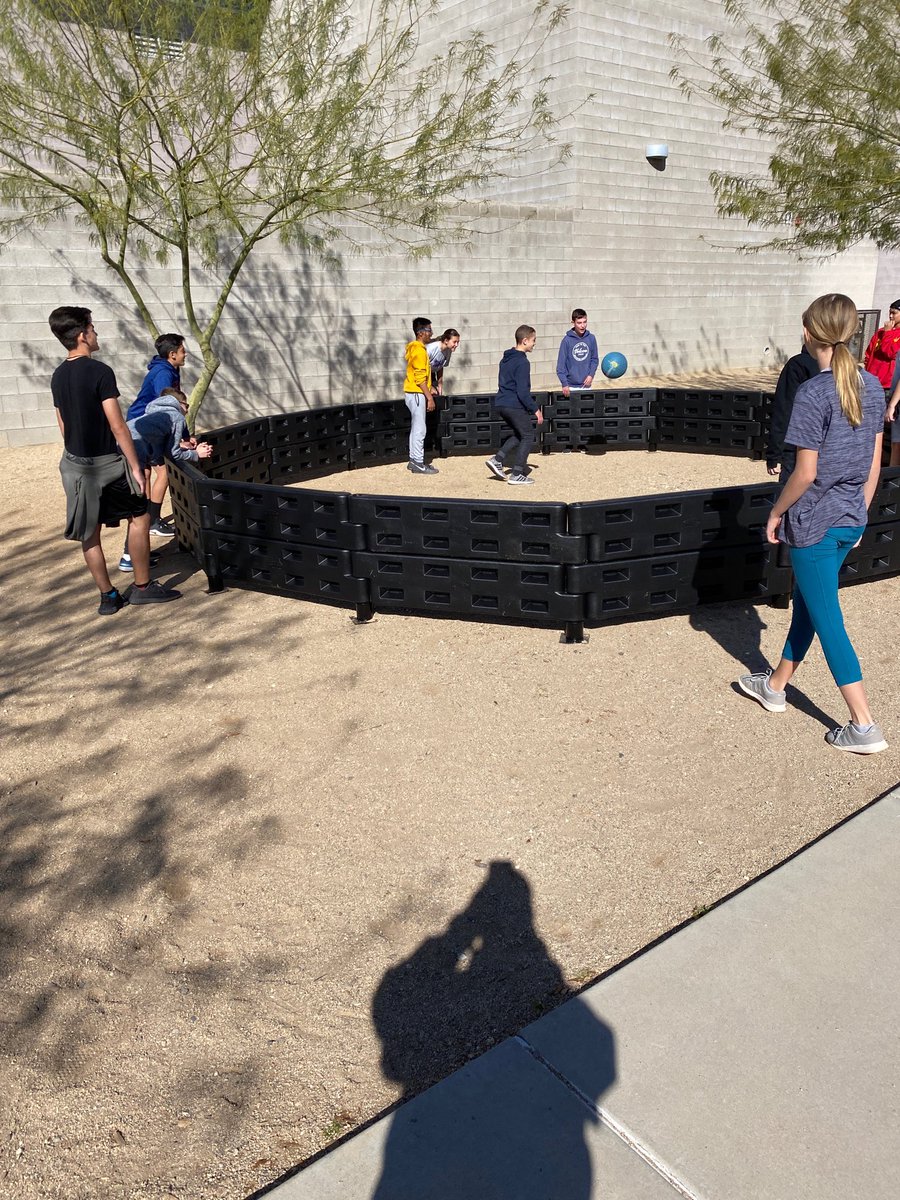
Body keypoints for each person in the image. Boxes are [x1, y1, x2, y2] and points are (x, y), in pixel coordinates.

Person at [737, 294, 887, 754]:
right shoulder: (873, 386)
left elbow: (804, 472)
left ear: (808, 333)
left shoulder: (813, 391)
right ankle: (776, 686)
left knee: (828, 619)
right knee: (809, 603)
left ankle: (863, 725)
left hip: (815, 524)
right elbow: (874, 463)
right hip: (847, 519)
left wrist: (776, 512)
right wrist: (859, 512)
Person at [49, 306, 181, 613]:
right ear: (82, 335)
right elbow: (118, 425)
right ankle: (143, 586)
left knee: (89, 532)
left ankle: (108, 597)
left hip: (75, 465)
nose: (96, 334)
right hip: (107, 463)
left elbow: (63, 425)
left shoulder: (58, 375)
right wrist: (136, 466)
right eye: (93, 329)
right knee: (140, 516)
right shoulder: (100, 372)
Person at [118, 388, 213, 572]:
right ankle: (129, 557)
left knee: (140, 510)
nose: (188, 410)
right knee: (140, 511)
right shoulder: (176, 416)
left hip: (125, 450)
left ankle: (138, 552)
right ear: (181, 404)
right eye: (187, 406)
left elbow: (159, 444)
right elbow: (173, 454)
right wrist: (196, 454)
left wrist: (182, 443)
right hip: (133, 457)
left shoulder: (153, 410)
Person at [126, 333, 188, 537]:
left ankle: (147, 519)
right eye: (182, 350)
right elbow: (168, 407)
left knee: (147, 473)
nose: (185, 354)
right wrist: (182, 439)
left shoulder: (168, 369)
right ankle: (151, 521)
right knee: (164, 471)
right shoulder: (163, 373)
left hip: (144, 426)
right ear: (172, 354)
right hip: (145, 428)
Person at [486, 325, 543, 486]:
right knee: (528, 435)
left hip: (501, 403)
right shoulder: (522, 362)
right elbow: (522, 391)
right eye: (533, 340)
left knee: (520, 434)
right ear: (525, 341)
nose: (534, 344)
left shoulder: (506, 359)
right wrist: (536, 410)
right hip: (513, 404)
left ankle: (497, 459)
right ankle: (517, 474)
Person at [766, 343, 818, 480]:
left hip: (798, 447)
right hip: (836, 450)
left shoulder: (798, 364)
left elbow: (784, 409)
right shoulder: (852, 370)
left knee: (789, 495)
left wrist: (774, 453)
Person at [403, 317, 438, 474]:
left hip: (413, 393)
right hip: (417, 394)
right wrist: (429, 396)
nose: (431, 333)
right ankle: (417, 462)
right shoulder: (419, 351)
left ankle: (414, 460)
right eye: (429, 330)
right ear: (421, 332)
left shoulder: (416, 348)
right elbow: (419, 378)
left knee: (416, 428)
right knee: (420, 429)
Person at [555, 308, 599, 397]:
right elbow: (560, 366)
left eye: (584, 322)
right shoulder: (566, 341)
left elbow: (594, 360)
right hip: (571, 387)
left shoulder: (591, 338)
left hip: (586, 386)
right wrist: (564, 383)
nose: (583, 325)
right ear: (573, 322)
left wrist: (591, 375)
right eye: (579, 323)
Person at [862, 300, 900, 388]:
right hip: (871, 380)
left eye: (894, 313)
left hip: (887, 385)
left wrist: (888, 334)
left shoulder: (887, 332)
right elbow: (869, 352)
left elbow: (890, 353)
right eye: (890, 313)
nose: (891, 316)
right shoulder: (881, 331)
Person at [426, 328, 460, 395]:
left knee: (437, 395)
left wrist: (440, 385)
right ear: (446, 340)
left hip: (432, 375)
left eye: (458, 342)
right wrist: (429, 387)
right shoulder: (430, 349)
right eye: (454, 342)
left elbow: (440, 367)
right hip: (423, 376)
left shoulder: (448, 350)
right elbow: (421, 371)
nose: (456, 345)